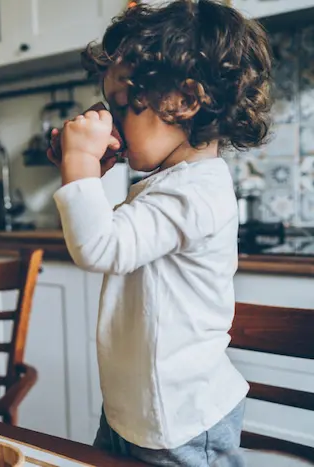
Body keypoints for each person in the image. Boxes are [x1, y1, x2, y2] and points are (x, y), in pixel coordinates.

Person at [47, 1, 272, 465]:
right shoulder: (168, 184)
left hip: (180, 423)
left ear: (185, 101)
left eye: (123, 108)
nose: (112, 121)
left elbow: (99, 246)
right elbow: (116, 236)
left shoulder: (197, 191)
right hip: (137, 411)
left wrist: (80, 164)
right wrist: (90, 171)